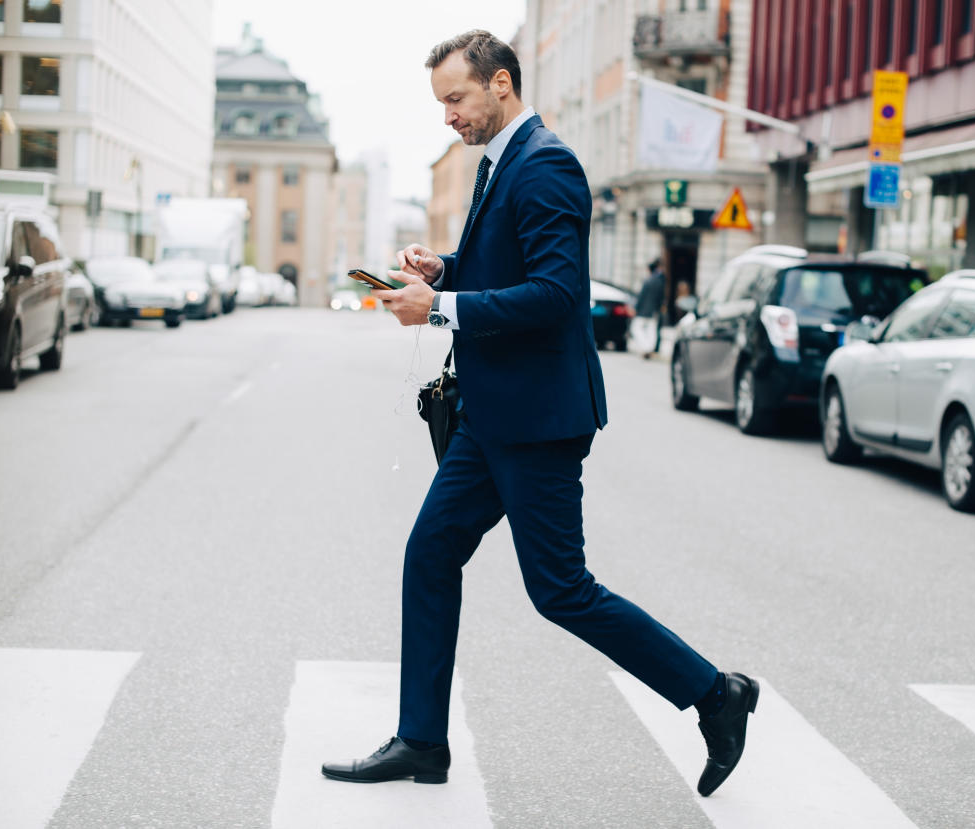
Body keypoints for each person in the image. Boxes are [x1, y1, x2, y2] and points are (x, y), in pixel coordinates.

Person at [319, 30, 759, 798]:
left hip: (538, 419)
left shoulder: (547, 163)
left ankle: (716, 693)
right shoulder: (500, 164)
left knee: (560, 588)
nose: (448, 116)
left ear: (501, 83)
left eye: (456, 99)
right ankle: (423, 739)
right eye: (442, 103)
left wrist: (440, 307)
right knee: (429, 556)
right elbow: (509, 268)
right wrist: (444, 270)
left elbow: (557, 295)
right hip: (491, 416)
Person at [633, 258, 666, 359]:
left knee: (636, 328)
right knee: (651, 330)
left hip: (643, 310)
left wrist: (636, 308)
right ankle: (649, 348)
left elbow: (641, 296)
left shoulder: (648, 281)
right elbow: (661, 297)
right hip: (654, 311)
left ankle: (646, 348)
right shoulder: (660, 281)